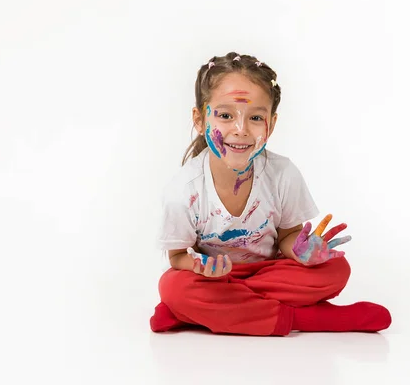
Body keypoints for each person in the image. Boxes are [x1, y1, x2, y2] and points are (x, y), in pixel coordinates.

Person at [150, 52, 391, 336]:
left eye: (255, 117)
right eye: (225, 115)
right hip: (214, 279)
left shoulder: (282, 174)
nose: (240, 130)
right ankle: (306, 319)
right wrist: (200, 267)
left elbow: (289, 235)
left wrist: (303, 252)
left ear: (272, 124)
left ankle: (202, 313)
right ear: (200, 120)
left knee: (336, 270)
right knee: (174, 287)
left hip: (270, 273)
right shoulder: (184, 190)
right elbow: (177, 257)